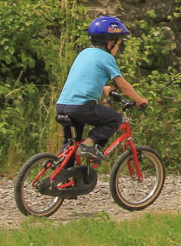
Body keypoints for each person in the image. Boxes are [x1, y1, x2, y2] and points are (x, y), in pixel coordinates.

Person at [56, 16, 148, 164]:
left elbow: (84, 78)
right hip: (82, 107)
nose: (118, 48)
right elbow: (122, 84)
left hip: (62, 105)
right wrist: (139, 99)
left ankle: (65, 179)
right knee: (115, 119)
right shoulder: (106, 57)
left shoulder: (84, 53)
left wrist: (102, 88)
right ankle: (88, 145)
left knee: (71, 145)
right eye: (119, 44)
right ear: (110, 43)